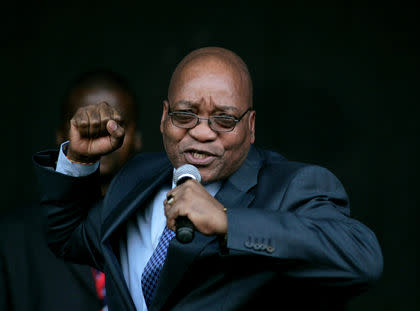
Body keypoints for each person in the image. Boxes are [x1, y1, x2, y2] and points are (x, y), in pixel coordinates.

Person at [33, 47, 383, 311]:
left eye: (224, 120)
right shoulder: (137, 178)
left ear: (251, 126)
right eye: (185, 115)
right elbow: (69, 239)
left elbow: (362, 260)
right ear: (164, 117)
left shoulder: (292, 186)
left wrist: (229, 223)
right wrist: (77, 159)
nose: (201, 133)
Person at [0, 70, 141, 311]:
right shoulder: (4, 239)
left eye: (116, 123)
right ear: (60, 136)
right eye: (85, 123)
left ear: (137, 137)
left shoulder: (161, 225)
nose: (100, 133)